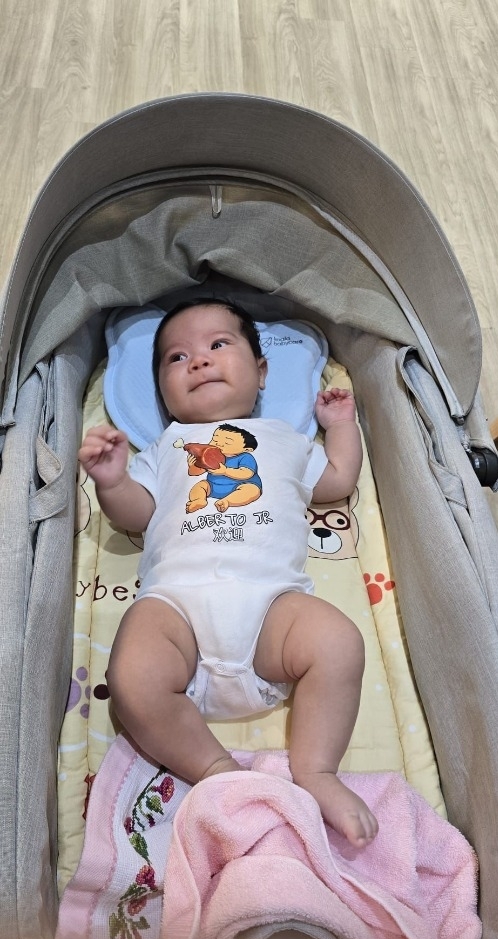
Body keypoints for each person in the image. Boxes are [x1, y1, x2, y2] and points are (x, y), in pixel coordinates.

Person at [79, 298, 378, 847]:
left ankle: (316, 770)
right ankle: (216, 771)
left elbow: (336, 480)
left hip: (271, 609)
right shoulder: (165, 447)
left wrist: (340, 425)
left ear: (261, 372)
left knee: (339, 642)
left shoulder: (286, 438)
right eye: (176, 357)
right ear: (162, 391)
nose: (198, 361)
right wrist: (113, 481)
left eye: (218, 345)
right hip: (177, 608)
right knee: (131, 677)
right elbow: (137, 515)